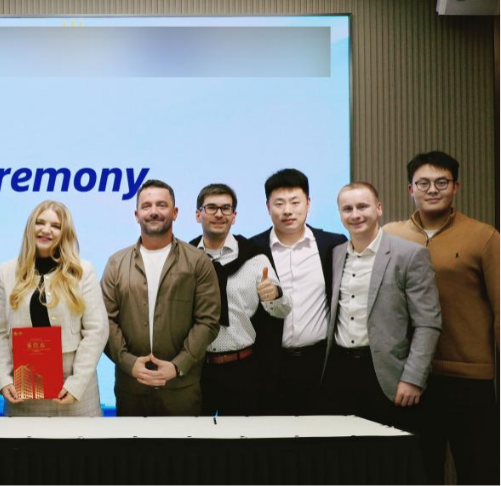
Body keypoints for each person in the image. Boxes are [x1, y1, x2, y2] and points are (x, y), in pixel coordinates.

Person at [382, 151, 500, 485]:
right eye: (423, 183)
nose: (432, 190)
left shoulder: (484, 237)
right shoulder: (390, 236)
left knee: (478, 471)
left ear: (456, 187)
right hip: (411, 378)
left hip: (469, 377)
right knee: (419, 472)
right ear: (410, 189)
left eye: (441, 182)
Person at [320, 182, 441, 432]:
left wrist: (413, 378)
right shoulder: (336, 254)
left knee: (386, 453)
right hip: (340, 371)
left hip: (386, 374)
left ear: (378, 209)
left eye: (362, 206)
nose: (355, 215)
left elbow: (428, 323)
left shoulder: (409, 255)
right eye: (347, 209)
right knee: (344, 451)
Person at [102, 179, 221, 416]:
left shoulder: (198, 262)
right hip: (131, 388)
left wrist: (177, 366)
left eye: (161, 205)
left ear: (175, 213)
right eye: (146, 206)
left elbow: (208, 321)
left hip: (181, 388)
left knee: (183, 443)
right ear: (136, 215)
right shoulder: (116, 263)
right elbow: (105, 320)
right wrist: (129, 363)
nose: (154, 211)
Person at [0, 200, 108, 416]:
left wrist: (76, 384)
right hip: (22, 392)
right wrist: (4, 379)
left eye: (55, 226)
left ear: (65, 232)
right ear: (30, 227)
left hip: (74, 394)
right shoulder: (6, 271)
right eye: (40, 222)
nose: (46, 230)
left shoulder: (83, 271)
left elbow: (96, 331)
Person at [248, 168, 347, 415]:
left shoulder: (332, 245)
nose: (287, 210)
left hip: (321, 364)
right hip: (270, 365)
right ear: (267, 206)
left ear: (308, 204)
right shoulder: (252, 249)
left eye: (295, 202)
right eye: (279, 203)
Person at [188, 184, 290, 416]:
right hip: (197, 370)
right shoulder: (186, 257)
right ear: (198, 214)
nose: (219, 214)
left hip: (242, 370)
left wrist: (275, 295)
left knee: (241, 438)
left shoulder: (255, 257)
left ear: (233, 216)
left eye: (226, 208)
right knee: (195, 436)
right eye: (211, 208)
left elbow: (282, 310)